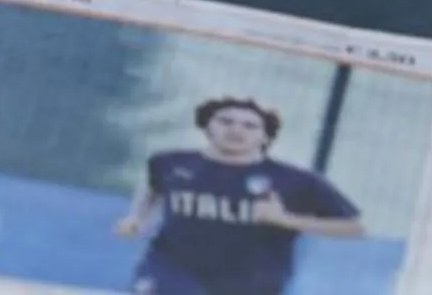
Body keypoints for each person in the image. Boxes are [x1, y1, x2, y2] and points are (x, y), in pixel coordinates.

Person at [115, 96, 363, 295]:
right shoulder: (169, 162)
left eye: (250, 125)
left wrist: (286, 220)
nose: (236, 130)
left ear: (265, 136)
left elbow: (353, 228)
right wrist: (137, 218)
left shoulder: (294, 180)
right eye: (226, 121)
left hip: (250, 282)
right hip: (170, 270)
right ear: (207, 124)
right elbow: (154, 188)